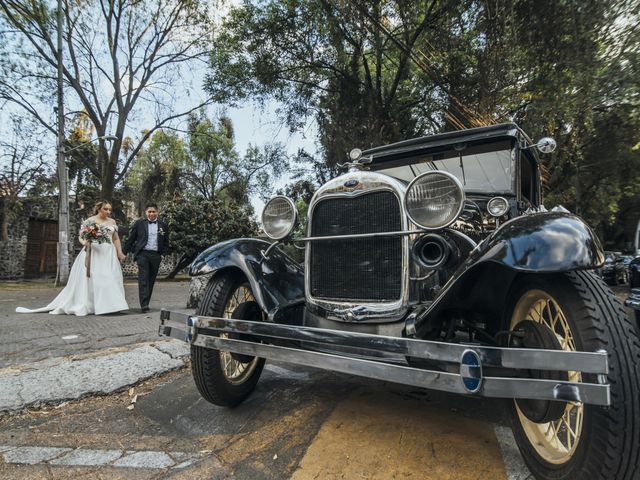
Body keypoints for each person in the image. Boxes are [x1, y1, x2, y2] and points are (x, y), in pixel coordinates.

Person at [16, 200, 129, 316]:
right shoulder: (90, 221)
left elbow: (115, 238)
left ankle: (113, 305)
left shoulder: (112, 221)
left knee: (112, 277)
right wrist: (85, 243)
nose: (108, 212)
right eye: (106, 209)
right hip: (93, 252)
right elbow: (81, 236)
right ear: (99, 209)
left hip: (108, 253)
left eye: (110, 209)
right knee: (99, 278)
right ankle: (95, 305)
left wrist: (119, 252)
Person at [123, 202, 170, 313]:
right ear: (146, 212)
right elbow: (131, 239)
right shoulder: (139, 224)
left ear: (157, 212)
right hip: (142, 254)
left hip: (156, 255)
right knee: (143, 278)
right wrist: (123, 252)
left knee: (151, 280)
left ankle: (146, 302)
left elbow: (166, 242)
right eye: (149, 211)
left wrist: (163, 254)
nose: (151, 213)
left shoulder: (163, 225)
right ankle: (144, 305)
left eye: (153, 211)